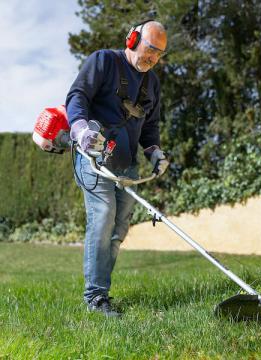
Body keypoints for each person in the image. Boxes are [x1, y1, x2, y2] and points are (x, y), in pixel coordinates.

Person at [65, 20, 169, 317]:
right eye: (150, 48)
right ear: (133, 39)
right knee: (103, 215)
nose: (152, 58)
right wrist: (82, 130)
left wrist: (156, 154)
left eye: (159, 54)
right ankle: (96, 297)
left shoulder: (152, 84)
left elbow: (150, 128)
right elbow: (77, 97)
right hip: (93, 158)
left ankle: (101, 291)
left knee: (118, 229)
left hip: (127, 164)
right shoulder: (103, 61)